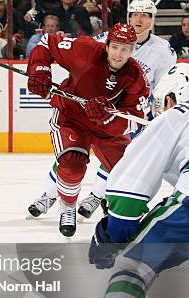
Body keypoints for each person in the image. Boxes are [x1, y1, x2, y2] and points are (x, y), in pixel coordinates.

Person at [63, 63, 189, 298]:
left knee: (133, 263)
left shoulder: (177, 117)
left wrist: (109, 240)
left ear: (170, 99)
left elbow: (128, 192)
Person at [28, 0, 176, 223]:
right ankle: (52, 195)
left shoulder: (165, 51)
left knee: (123, 163)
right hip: (82, 113)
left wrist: (134, 112)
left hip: (130, 110)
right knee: (71, 156)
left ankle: (98, 196)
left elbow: (166, 83)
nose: (139, 19)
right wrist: (39, 70)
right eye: (135, 14)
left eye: (145, 15)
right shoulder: (96, 43)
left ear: (152, 19)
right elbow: (59, 49)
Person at [26, 22, 149, 237]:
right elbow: (47, 43)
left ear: (132, 51)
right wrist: (40, 71)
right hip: (71, 117)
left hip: (105, 129)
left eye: (125, 49)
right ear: (107, 45)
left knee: (128, 172)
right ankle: (68, 206)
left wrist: (107, 117)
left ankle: (120, 214)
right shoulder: (84, 51)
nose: (119, 54)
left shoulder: (136, 76)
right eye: (115, 47)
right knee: (72, 162)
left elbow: (133, 120)